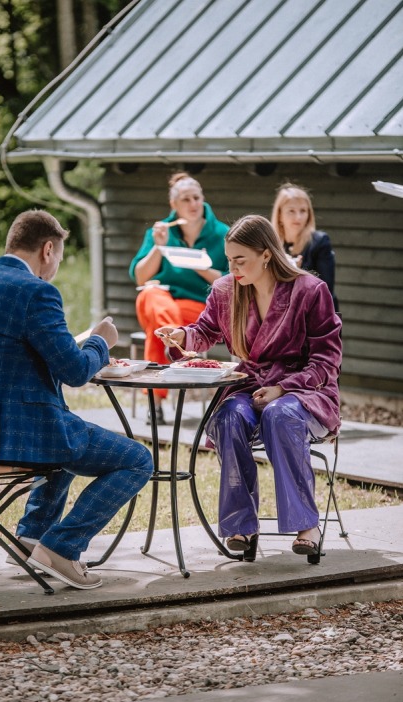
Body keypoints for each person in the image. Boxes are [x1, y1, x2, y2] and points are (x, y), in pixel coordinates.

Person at [0, 209, 153, 590]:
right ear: (47, 249)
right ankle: (62, 548)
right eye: (60, 259)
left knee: (65, 434)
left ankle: (30, 537)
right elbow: (75, 371)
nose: (55, 269)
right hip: (22, 439)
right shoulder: (38, 292)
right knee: (138, 459)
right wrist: (100, 340)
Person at [156, 215, 342, 562]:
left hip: (305, 391)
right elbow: (205, 330)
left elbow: (327, 361)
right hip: (250, 385)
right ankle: (241, 524)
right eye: (229, 260)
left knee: (280, 415)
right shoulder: (227, 290)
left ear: (267, 254)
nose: (233, 267)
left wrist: (283, 388)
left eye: (240, 260)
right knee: (229, 416)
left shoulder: (310, 291)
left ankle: (306, 526)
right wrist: (183, 335)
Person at [129, 171, 229, 424]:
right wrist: (158, 247)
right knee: (153, 294)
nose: (193, 204)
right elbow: (140, 277)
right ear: (174, 205)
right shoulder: (161, 231)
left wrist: (197, 263)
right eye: (186, 199)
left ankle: (156, 400)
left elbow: (231, 281)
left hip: (196, 308)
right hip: (158, 300)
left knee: (159, 329)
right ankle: (179, 351)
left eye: (197, 197)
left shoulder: (222, 234)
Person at [271, 182, 339, 311]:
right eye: (291, 211)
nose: (298, 217)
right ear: (279, 215)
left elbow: (326, 289)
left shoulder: (320, 241)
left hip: (317, 317)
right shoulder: (272, 244)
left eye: (303, 211)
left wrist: (296, 274)